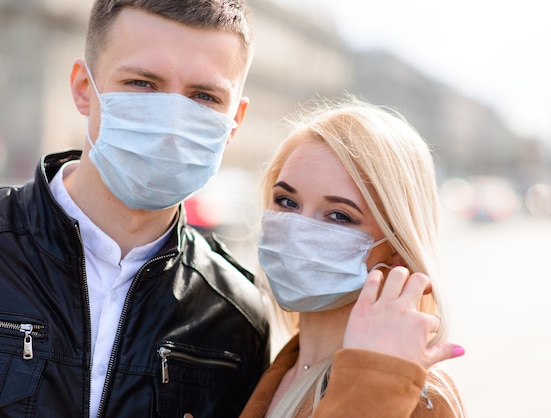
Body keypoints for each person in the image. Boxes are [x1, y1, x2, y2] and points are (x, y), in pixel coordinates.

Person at [0, 1, 269, 417]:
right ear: (83, 88)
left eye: (204, 96)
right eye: (143, 83)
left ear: (236, 120)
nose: (172, 123)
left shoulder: (237, 317)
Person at [240, 96, 466, 417]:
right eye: (286, 202)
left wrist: (372, 387)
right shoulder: (270, 369)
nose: (297, 230)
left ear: (398, 252)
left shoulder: (413, 395)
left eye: (339, 215)